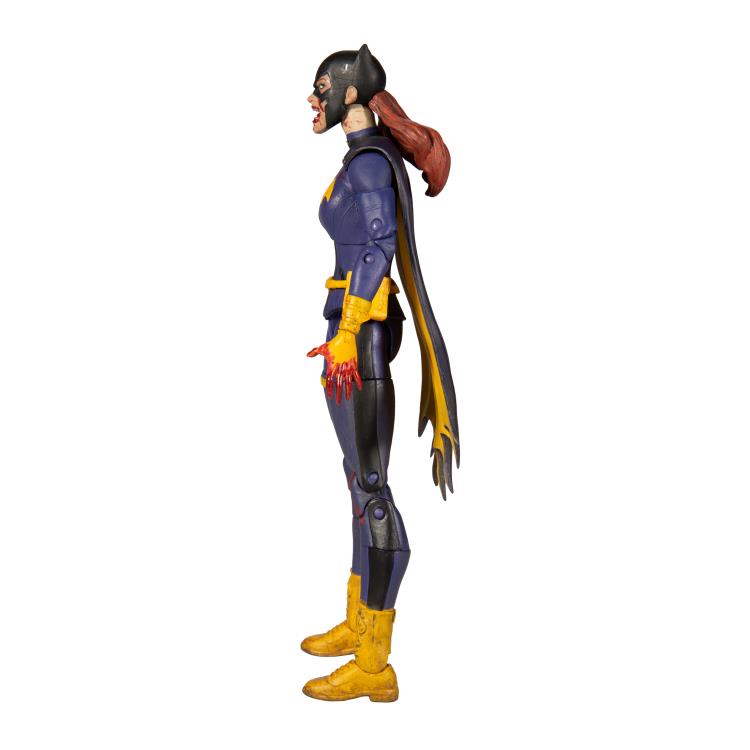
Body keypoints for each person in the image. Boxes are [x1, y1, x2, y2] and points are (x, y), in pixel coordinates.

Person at [302, 44, 460, 702]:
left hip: (359, 339)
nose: (311, 99)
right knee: (356, 480)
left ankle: (376, 661)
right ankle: (358, 619)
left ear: (348, 94)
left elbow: (374, 253)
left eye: (321, 87)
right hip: (352, 334)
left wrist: (345, 334)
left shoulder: (369, 166)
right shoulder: (364, 159)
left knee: (371, 488)